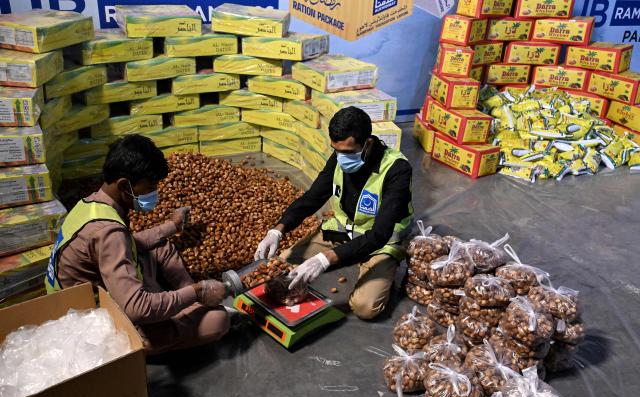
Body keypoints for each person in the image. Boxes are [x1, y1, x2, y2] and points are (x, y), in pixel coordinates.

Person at [45, 135, 229, 354]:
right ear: (124, 185)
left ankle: (190, 301)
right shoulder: (108, 232)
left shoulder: (92, 203)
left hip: (98, 288)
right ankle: (191, 305)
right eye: (149, 187)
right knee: (219, 320)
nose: (155, 194)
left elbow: (130, 243)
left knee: (160, 245)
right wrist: (198, 291)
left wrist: (171, 226)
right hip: (92, 324)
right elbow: (136, 308)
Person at [255, 107, 414, 320]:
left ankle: (380, 270)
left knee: (365, 307)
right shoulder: (340, 156)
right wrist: (277, 230)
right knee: (283, 266)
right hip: (340, 233)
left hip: (379, 243)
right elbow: (313, 197)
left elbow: (380, 234)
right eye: (336, 150)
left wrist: (325, 259)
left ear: (367, 144)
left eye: (348, 152)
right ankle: (340, 257)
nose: (341, 158)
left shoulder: (397, 170)